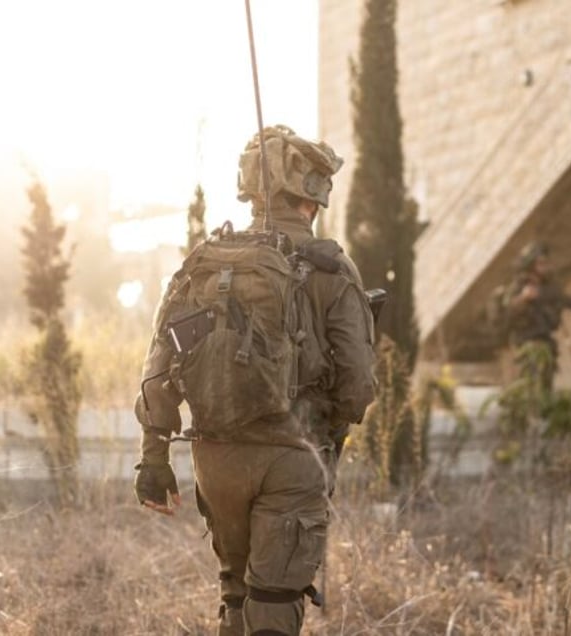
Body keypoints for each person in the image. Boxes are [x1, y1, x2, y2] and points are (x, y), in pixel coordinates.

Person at [133, 125, 377, 636]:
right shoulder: (332, 269)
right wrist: (327, 427)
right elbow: (357, 384)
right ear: (313, 195)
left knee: (236, 596)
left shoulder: (206, 264)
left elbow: (159, 366)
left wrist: (154, 460)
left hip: (215, 459)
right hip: (292, 458)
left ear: (251, 189)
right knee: (273, 603)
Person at [498, 241, 571, 394]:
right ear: (531, 266)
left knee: (545, 386)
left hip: (545, 344)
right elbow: (507, 312)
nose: (545, 266)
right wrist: (523, 299)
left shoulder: (548, 287)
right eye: (540, 263)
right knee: (529, 387)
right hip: (526, 344)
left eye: (545, 262)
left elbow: (567, 301)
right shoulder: (519, 287)